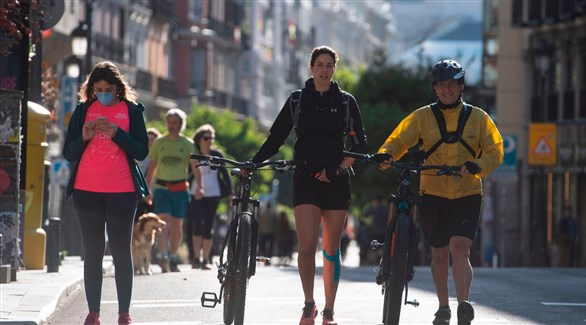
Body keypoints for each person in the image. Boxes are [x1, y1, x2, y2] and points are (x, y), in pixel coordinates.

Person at [376, 59, 503, 325]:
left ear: (461, 86)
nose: (446, 90)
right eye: (441, 85)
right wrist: (386, 155)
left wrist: (477, 165)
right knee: (440, 252)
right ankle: (443, 307)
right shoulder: (422, 116)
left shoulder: (478, 118)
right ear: (435, 89)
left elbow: (495, 150)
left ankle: (463, 305)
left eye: (451, 84)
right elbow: (399, 140)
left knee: (460, 249)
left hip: (467, 191)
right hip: (431, 191)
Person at [249, 45, 367, 325]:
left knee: (331, 249)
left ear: (334, 69)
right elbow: (276, 138)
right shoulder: (297, 101)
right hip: (305, 180)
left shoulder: (346, 101)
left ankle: (329, 311)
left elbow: (360, 144)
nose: (325, 70)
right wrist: (252, 163)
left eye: (329, 65)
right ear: (311, 68)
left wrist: (339, 170)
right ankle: (308, 305)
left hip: (336, 182)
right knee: (306, 246)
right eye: (320, 65)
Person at [62, 61, 150, 325]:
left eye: (108, 89)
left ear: (118, 88)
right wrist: (85, 137)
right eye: (98, 89)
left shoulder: (132, 111)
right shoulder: (83, 111)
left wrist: (118, 134)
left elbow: (141, 150)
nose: (103, 93)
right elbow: (69, 152)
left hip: (122, 192)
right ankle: (93, 313)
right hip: (85, 191)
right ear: (91, 89)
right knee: (93, 251)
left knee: (122, 250)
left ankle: (124, 313)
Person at [146, 108, 200, 273]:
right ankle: (163, 255)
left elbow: (195, 167)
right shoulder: (159, 143)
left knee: (177, 226)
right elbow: (153, 167)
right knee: (164, 223)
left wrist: (200, 186)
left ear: (181, 124)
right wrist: (147, 190)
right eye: (169, 122)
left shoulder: (188, 144)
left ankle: (172, 255)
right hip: (162, 188)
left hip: (180, 189)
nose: (171, 126)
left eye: (175, 122)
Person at [188, 123, 233, 270]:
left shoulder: (217, 155)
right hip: (196, 193)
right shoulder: (194, 155)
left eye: (211, 137)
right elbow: (187, 174)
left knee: (208, 226)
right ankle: (196, 258)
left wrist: (231, 194)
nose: (209, 140)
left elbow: (225, 176)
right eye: (206, 138)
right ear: (199, 139)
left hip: (214, 194)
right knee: (197, 224)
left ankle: (206, 259)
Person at [135, 128, 161, 221]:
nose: (150, 142)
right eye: (148, 139)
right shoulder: (139, 155)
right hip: (140, 193)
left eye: (152, 140)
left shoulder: (160, 156)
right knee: (137, 221)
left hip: (155, 193)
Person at [258, 201, 277, 265]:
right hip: (271, 232)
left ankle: (266, 259)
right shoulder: (273, 213)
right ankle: (267, 259)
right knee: (270, 247)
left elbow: (260, 223)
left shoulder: (263, 213)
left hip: (264, 232)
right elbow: (275, 223)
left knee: (264, 247)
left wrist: (259, 231)